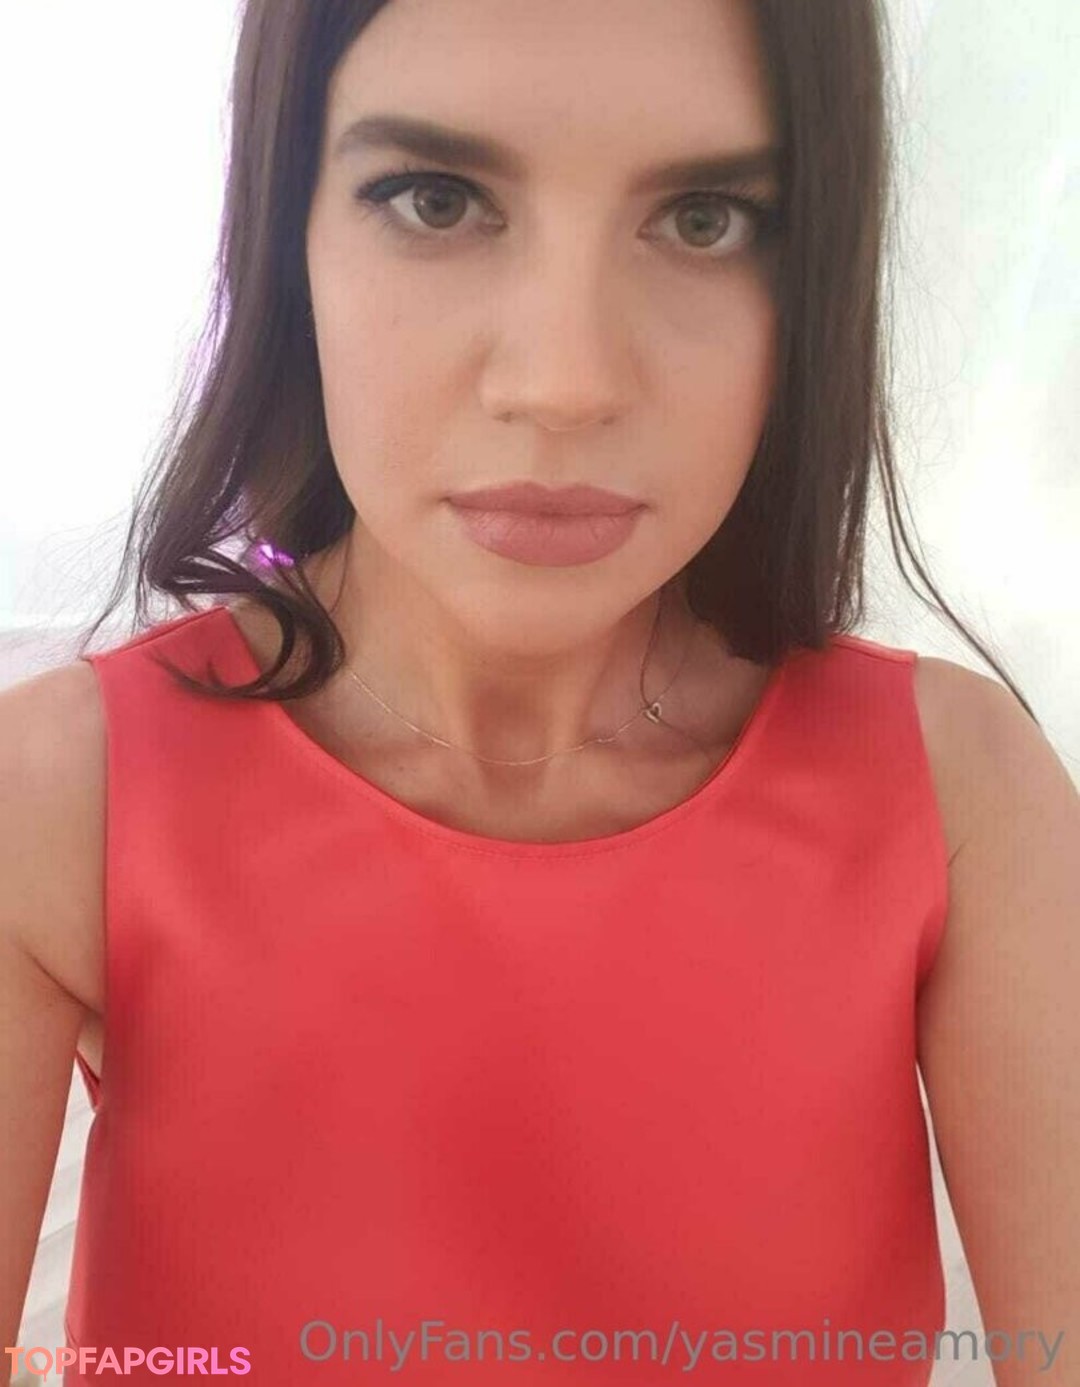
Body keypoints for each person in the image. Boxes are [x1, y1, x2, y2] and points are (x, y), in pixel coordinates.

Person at [2, 0, 1077, 1383]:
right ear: (284, 235)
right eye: (437, 199)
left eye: (705, 220)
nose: (566, 385)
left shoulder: (962, 804)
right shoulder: (61, 800)